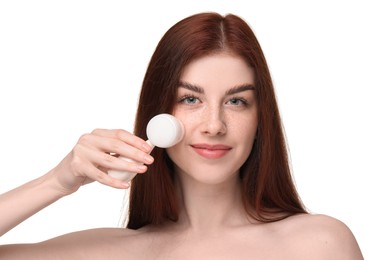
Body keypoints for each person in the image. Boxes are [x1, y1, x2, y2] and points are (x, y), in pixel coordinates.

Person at [0, 12, 363, 259]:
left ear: (260, 117)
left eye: (236, 101)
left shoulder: (319, 244)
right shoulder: (110, 251)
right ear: (158, 111)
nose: (214, 125)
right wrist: (58, 181)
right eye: (190, 99)